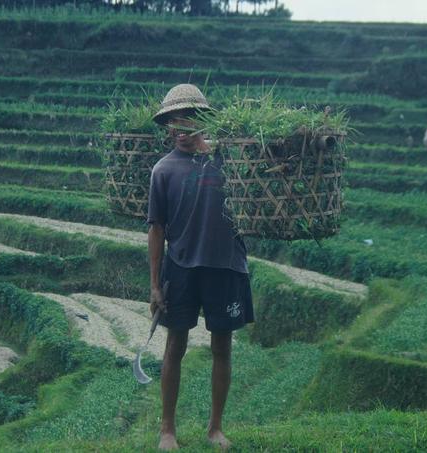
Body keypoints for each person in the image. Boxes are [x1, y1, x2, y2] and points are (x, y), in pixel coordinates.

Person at [147, 84, 254, 451]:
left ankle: (215, 428)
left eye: (189, 120)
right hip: (181, 267)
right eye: (175, 121)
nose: (182, 128)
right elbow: (156, 230)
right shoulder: (162, 171)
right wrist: (155, 284)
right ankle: (167, 430)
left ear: (202, 121)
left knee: (222, 346)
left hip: (226, 266)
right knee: (175, 344)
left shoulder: (228, 161)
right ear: (168, 126)